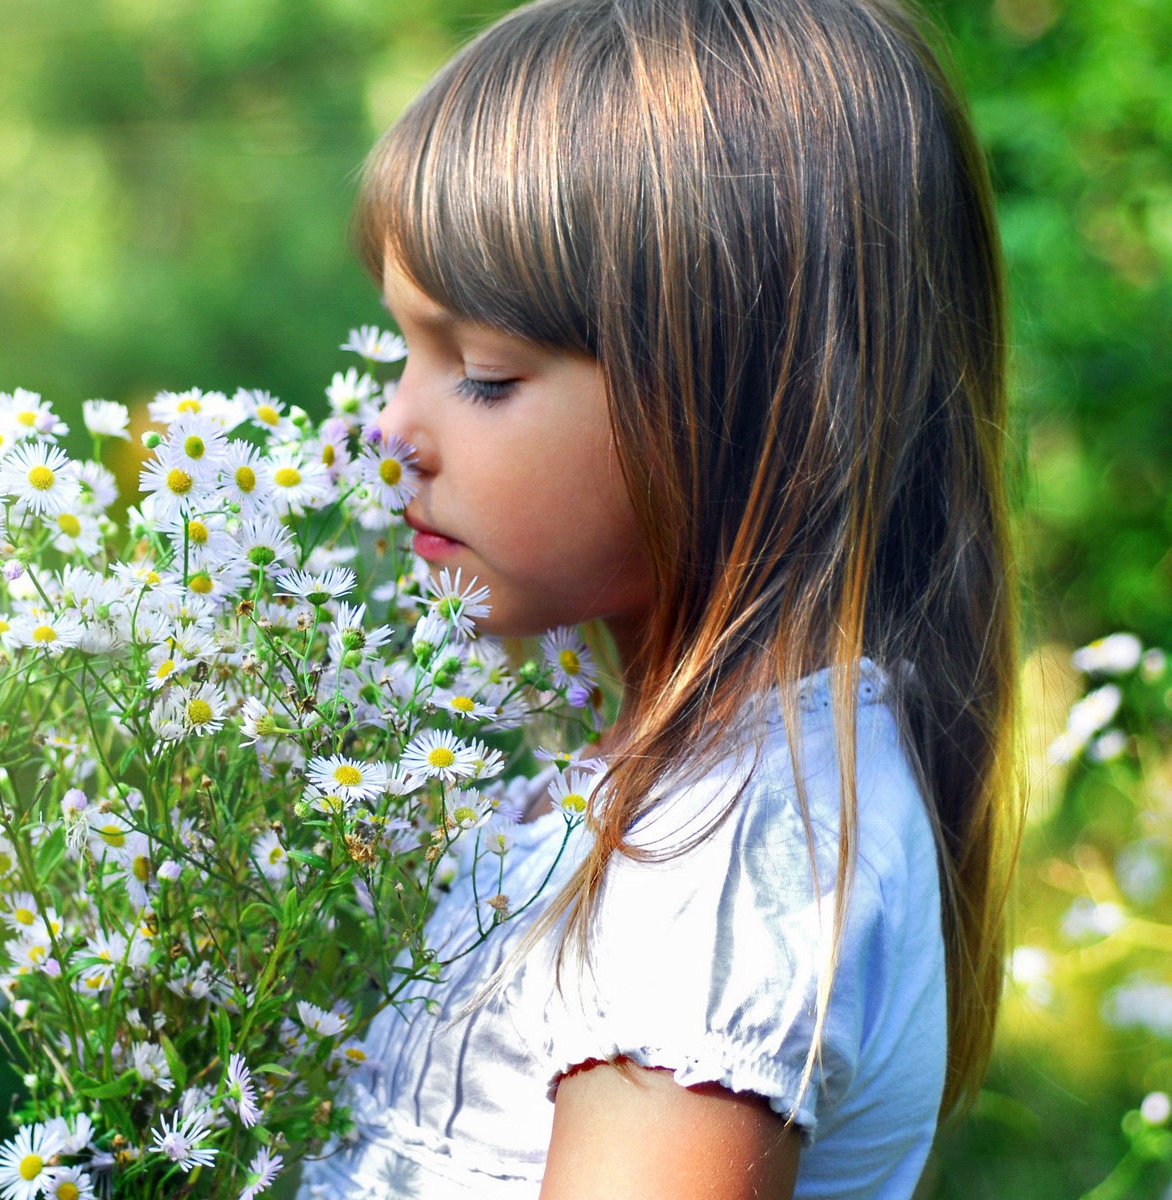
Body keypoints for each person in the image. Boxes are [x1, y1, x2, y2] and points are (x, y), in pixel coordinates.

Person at [295, 0, 1020, 1196]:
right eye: (405, 350)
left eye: (482, 375)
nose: (392, 429)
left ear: (737, 403)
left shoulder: (727, 855)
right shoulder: (677, 794)